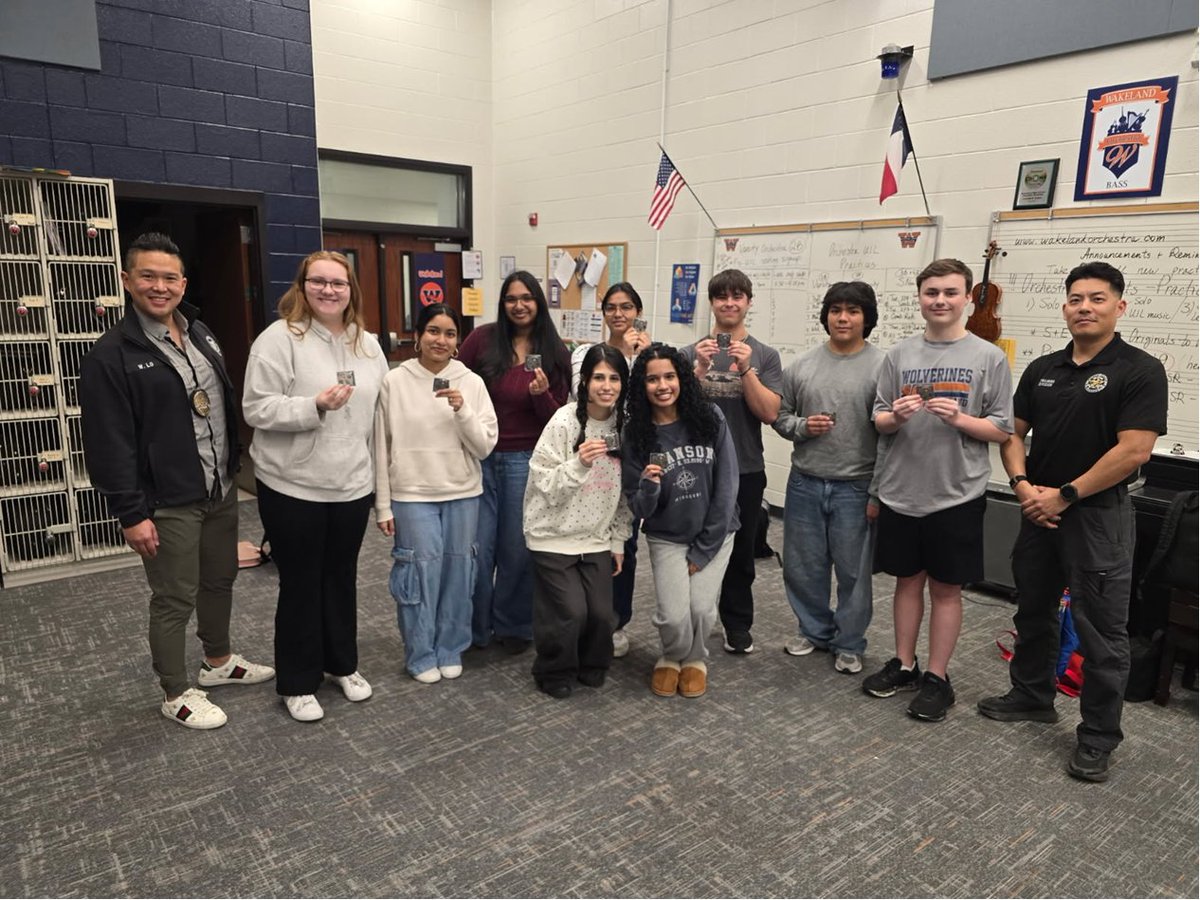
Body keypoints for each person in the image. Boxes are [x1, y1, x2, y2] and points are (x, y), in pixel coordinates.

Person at [978, 261, 1167, 782]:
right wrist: (1021, 486)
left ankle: (1098, 737)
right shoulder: (1044, 369)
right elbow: (1012, 432)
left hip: (1097, 517)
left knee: (1102, 632)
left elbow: (1134, 452)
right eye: (1076, 299)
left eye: (1098, 298)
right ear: (1065, 307)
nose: (1085, 307)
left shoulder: (1140, 369)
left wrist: (1065, 496)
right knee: (1033, 612)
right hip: (1038, 509)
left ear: (1120, 306)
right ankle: (1032, 694)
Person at [80, 232, 273, 730]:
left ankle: (218, 662)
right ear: (127, 280)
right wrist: (131, 512)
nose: (159, 286)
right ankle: (174, 690)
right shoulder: (112, 355)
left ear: (183, 283)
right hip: (166, 501)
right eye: (148, 276)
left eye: (169, 277)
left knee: (219, 579)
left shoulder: (202, 332)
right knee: (174, 596)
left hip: (218, 487)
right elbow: (108, 442)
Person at [861, 258, 1013, 722]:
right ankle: (905, 664)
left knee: (946, 590)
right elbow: (879, 418)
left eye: (950, 292)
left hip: (957, 494)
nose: (940, 301)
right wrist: (898, 416)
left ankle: (937, 677)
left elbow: (1003, 430)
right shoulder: (899, 354)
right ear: (920, 299)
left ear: (968, 298)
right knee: (907, 582)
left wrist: (960, 419)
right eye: (932, 293)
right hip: (902, 491)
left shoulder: (990, 357)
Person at [243, 250, 388, 723]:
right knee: (301, 583)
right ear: (302, 285)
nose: (329, 290)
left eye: (338, 283)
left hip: (350, 485)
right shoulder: (278, 340)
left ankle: (340, 664)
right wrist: (313, 406)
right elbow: (256, 408)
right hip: (292, 486)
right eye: (319, 281)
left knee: (340, 579)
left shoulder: (367, 345)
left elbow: (379, 416)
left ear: (351, 290)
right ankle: (298, 680)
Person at [374, 303, 497, 684]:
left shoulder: (472, 383)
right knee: (418, 575)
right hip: (411, 495)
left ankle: (450, 647)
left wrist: (463, 411)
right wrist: (382, 505)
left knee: (460, 572)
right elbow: (381, 445)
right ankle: (421, 652)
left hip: (462, 493)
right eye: (432, 331)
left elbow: (485, 447)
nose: (439, 340)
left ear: (458, 340)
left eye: (448, 333)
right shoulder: (395, 381)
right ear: (418, 335)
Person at [771, 281, 884, 675]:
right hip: (805, 482)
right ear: (826, 316)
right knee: (803, 566)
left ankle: (850, 642)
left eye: (853, 311)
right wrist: (803, 427)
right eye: (836, 310)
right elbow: (780, 418)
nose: (843, 318)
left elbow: (891, 435)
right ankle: (813, 630)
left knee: (853, 571)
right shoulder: (801, 366)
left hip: (857, 486)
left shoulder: (883, 367)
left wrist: (877, 493)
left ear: (866, 318)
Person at [458, 271, 570, 653]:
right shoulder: (482, 340)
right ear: (502, 304)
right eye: (511, 298)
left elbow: (559, 419)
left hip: (525, 461)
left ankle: (513, 626)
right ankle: (475, 630)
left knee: (516, 552)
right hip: (479, 457)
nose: (519, 305)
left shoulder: (554, 350)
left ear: (538, 301)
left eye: (527, 298)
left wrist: (540, 395)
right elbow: (457, 383)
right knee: (477, 549)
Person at [623, 344, 739, 699]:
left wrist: (704, 548)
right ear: (641, 386)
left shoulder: (710, 417)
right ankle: (672, 654)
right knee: (674, 617)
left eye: (670, 376)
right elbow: (639, 509)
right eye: (652, 379)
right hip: (667, 536)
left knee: (701, 610)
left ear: (682, 379)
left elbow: (728, 485)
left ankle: (695, 659)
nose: (662, 385)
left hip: (715, 533)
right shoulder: (635, 433)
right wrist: (648, 486)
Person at [680, 269, 782, 655]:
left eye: (737, 296)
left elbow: (770, 412)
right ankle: (692, 620)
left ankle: (737, 624)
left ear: (748, 302)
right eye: (722, 296)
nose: (729, 303)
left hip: (745, 466)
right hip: (696, 467)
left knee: (741, 553)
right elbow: (674, 410)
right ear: (712, 303)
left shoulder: (765, 354)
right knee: (693, 547)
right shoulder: (692, 352)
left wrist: (745, 368)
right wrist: (699, 370)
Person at [524, 344, 632, 698]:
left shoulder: (625, 426)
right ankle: (553, 670)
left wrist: (618, 540)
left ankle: (592, 665)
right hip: (552, 534)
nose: (606, 385)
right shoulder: (564, 421)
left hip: (596, 537)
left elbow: (624, 494)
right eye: (598, 377)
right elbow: (544, 485)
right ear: (584, 381)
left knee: (602, 615)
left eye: (614, 378)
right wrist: (579, 464)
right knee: (571, 613)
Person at [568, 282, 650, 657]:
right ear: (603, 313)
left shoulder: (647, 354)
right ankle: (584, 619)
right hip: (591, 454)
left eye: (627, 307)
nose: (619, 314)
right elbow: (580, 395)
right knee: (586, 541)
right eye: (612, 307)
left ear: (637, 312)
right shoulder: (586, 353)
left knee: (624, 543)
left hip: (628, 457)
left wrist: (639, 360)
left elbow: (650, 402)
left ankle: (617, 622)